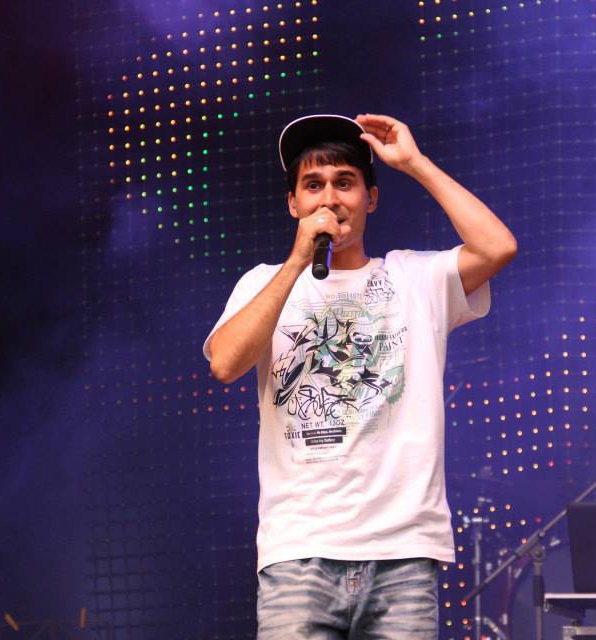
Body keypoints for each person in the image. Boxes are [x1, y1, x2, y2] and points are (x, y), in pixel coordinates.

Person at [204, 113, 517, 639]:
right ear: (293, 204)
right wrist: (297, 261)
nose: (329, 198)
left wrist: (415, 164)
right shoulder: (263, 283)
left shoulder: (413, 279)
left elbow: (497, 247)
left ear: (370, 198)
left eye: (344, 182)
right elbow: (225, 363)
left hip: (402, 555)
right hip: (298, 552)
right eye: (313, 185)